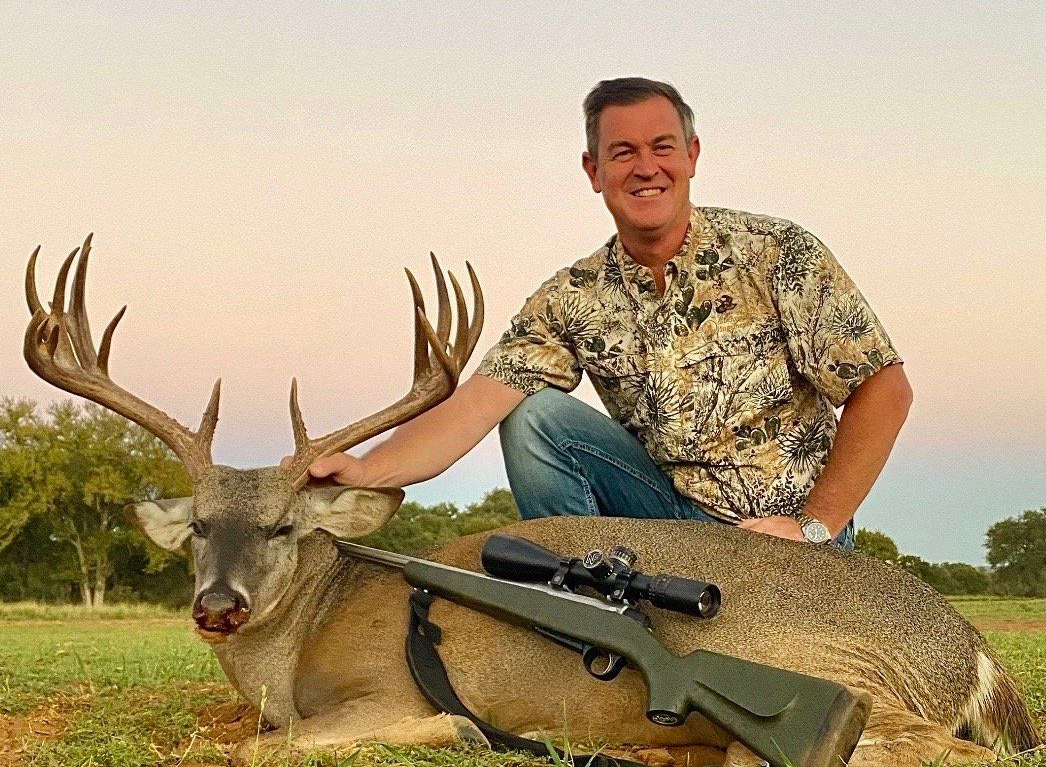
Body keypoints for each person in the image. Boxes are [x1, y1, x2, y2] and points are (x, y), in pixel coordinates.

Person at [308, 79, 912, 548]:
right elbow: (475, 405)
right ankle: (591, 610)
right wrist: (365, 468)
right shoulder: (572, 296)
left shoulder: (779, 253)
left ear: (693, 155)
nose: (645, 167)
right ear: (593, 171)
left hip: (788, 537)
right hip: (669, 526)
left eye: (662, 147)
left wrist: (813, 525)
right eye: (622, 152)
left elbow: (885, 391)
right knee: (535, 417)